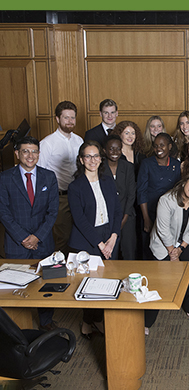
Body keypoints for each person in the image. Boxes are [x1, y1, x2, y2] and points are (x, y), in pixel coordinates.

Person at [0, 135, 59, 331]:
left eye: (34, 151)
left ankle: (46, 322)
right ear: (17, 153)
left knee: (46, 282)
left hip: (43, 241)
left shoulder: (48, 176)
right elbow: (3, 212)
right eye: (25, 151)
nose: (30, 155)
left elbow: (53, 212)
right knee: (16, 284)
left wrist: (37, 237)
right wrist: (24, 238)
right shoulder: (5, 177)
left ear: (39, 154)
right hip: (17, 243)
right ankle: (19, 326)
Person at [68, 140, 122, 339]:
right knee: (89, 284)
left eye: (96, 156)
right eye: (88, 156)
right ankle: (87, 322)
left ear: (101, 159)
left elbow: (117, 210)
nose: (93, 160)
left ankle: (96, 320)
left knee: (106, 282)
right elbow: (80, 220)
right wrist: (100, 244)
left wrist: (113, 236)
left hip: (109, 235)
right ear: (82, 160)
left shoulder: (107, 181)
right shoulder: (75, 187)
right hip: (87, 239)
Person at [150, 170, 189, 317]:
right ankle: (149, 318)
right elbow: (163, 230)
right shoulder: (166, 200)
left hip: (185, 243)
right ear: (184, 182)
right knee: (163, 272)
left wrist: (181, 248)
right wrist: (173, 252)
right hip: (163, 244)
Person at [38, 100, 84, 254]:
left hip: (78, 195)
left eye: (72, 118)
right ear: (57, 119)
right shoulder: (47, 143)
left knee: (79, 233)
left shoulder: (79, 141)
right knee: (62, 238)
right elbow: (40, 174)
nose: (70, 121)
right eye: (66, 118)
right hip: (60, 197)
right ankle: (60, 271)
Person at [137, 133, 181, 259]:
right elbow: (141, 191)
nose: (158, 149)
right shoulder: (146, 163)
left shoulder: (176, 164)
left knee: (167, 247)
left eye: (162, 145)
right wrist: (146, 219)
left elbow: (178, 190)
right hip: (150, 212)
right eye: (156, 146)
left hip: (170, 213)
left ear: (170, 146)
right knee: (148, 249)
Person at [103, 134, 136, 260]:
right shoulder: (100, 168)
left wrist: (125, 217)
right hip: (108, 217)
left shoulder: (128, 167)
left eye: (118, 149)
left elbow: (131, 193)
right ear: (105, 150)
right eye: (111, 149)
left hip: (127, 216)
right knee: (110, 253)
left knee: (129, 251)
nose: (115, 152)